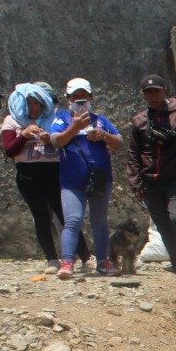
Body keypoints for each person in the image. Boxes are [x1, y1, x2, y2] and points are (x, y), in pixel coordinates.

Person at [1, 82, 89, 273]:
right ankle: (51, 259)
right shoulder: (12, 121)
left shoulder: (55, 118)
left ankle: (84, 257)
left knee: (66, 216)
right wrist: (24, 134)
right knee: (41, 217)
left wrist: (50, 139)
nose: (34, 108)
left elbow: (67, 141)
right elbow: (9, 150)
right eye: (30, 103)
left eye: (37, 103)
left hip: (54, 171)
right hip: (28, 175)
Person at [127, 73, 176, 281]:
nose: (152, 96)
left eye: (156, 92)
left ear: (164, 92)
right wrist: (135, 182)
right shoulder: (140, 120)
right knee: (162, 222)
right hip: (150, 181)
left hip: (175, 180)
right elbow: (134, 154)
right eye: (148, 93)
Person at [48, 77, 124, 278]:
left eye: (84, 97)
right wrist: (74, 128)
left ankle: (103, 262)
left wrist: (103, 135)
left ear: (90, 98)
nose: (80, 101)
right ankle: (67, 262)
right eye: (76, 97)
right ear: (68, 99)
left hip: (99, 178)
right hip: (72, 180)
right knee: (72, 220)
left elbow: (119, 142)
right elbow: (55, 141)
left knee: (99, 221)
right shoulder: (62, 119)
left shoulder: (100, 120)